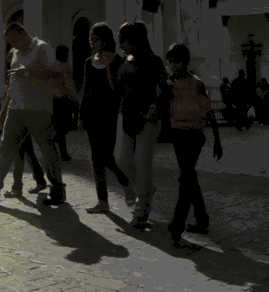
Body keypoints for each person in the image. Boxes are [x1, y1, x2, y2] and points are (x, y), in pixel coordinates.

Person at [0, 23, 67, 206]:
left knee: (48, 151)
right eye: (9, 42)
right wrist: (3, 111)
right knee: (5, 149)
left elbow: (55, 74)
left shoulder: (42, 48)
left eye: (14, 39)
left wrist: (29, 72)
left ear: (23, 33)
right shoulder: (16, 52)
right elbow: (13, 84)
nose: (12, 44)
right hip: (16, 109)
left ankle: (58, 189)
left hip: (38, 110)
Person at [164, 43, 221, 248]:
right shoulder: (168, 85)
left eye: (176, 61)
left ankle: (177, 224)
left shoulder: (197, 84)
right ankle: (202, 218)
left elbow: (209, 111)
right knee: (189, 176)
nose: (172, 65)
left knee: (185, 176)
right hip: (178, 135)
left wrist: (217, 140)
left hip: (195, 135)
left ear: (185, 61)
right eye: (170, 61)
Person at [116, 21, 170, 230]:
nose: (121, 44)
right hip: (126, 116)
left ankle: (141, 212)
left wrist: (156, 106)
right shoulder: (125, 60)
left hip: (148, 119)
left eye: (123, 40)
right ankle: (145, 189)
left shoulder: (154, 61)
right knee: (122, 161)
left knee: (142, 163)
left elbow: (166, 88)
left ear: (135, 40)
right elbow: (120, 89)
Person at [77, 22, 133, 214]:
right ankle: (102, 201)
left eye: (95, 39)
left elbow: (115, 90)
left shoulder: (117, 60)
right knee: (95, 159)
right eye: (90, 39)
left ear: (105, 40)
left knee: (106, 156)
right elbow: (86, 90)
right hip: (91, 114)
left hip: (108, 114)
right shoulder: (88, 62)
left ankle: (125, 183)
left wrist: (108, 67)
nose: (92, 43)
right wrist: (81, 116)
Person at [51, 44, 80, 162]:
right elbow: (69, 84)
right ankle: (55, 141)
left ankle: (63, 153)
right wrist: (76, 99)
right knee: (69, 124)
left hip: (53, 100)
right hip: (64, 99)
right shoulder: (65, 66)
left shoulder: (53, 66)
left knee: (59, 126)